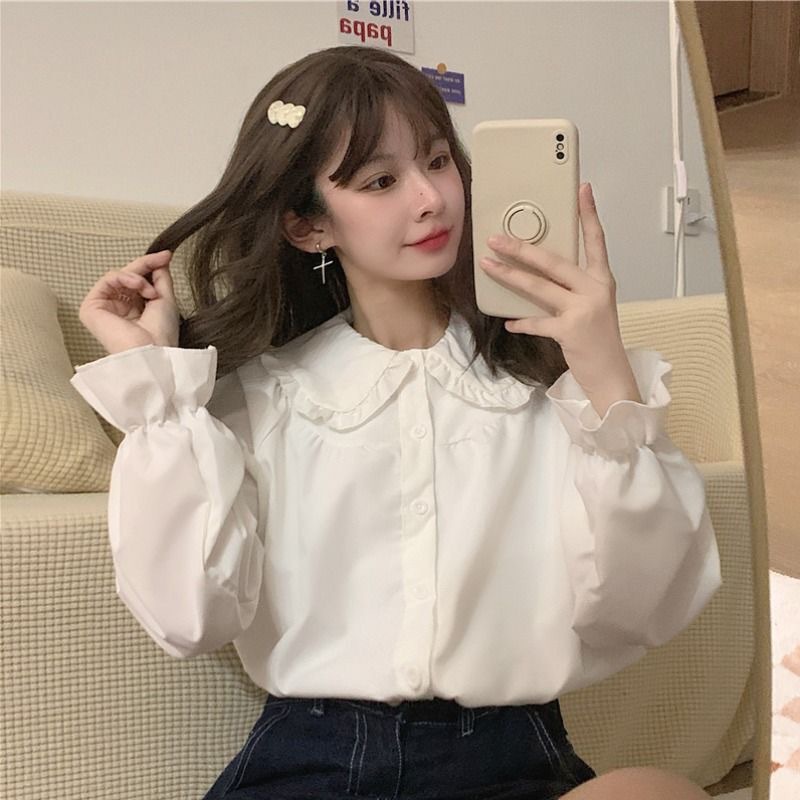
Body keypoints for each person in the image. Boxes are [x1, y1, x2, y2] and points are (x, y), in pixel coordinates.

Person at [71, 45, 721, 800]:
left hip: (512, 758)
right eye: (380, 181)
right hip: (311, 766)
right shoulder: (259, 398)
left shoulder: (551, 393)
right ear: (308, 227)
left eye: (438, 161)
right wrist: (158, 392)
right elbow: (191, 617)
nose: (430, 198)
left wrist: (604, 373)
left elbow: (644, 608)